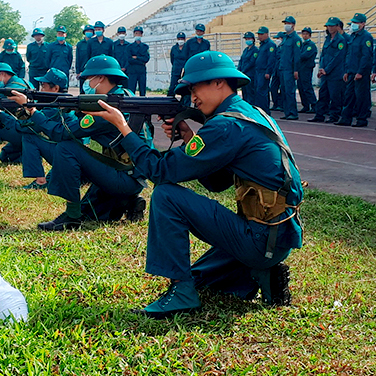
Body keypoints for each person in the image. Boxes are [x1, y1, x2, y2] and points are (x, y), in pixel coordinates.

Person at [86, 51, 303, 317]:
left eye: (196, 86)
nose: (192, 96)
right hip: (273, 238)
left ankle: (182, 292)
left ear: (219, 83)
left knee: (166, 195)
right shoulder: (250, 114)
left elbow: (160, 171)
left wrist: (124, 129)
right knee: (200, 276)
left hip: (260, 238)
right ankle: (261, 271)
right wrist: (190, 138)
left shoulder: (226, 126)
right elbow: (216, 182)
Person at [23, 55, 146, 231]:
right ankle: (130, 202)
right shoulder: (125, 96)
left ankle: (71, 217)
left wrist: (34, 112)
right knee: (89, 211)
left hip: (124, 175)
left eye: (89, 79)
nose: (86, 83)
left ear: (100, 78)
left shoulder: (108, 109)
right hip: (131, 174)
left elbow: (62, 133)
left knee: (66, 147)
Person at [13, 68, 70, 190]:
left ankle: (40, 181)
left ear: (55, 89)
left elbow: (26, 128)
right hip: (69, 155)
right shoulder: (61, 102)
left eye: (43, 86)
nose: (41, 90)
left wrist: (28, 109)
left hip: (67, 157)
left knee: (29, 137)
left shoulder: (54, 108)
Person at [338, 13, 373, 127]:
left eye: (356, 23)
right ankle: (346, 118)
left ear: (363, 24)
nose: (354, 25)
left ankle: (361, 119)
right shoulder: (352, 36)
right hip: (351, 71)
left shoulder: (366, 37)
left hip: (360, 73)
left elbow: (366, 56)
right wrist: (347, 70)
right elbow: (348, 55)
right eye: (353, 22)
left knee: (361, 97)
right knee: (349, 96)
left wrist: (360, 72)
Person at [309, 18, 346, 123]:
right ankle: (319, 115)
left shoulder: (341, 40)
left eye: (332, 26)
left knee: (335, 96)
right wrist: (321, 68)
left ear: (337, 26)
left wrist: (327, 69)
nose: (329, 28)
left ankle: (334, 116)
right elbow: (323, 55)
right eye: (328, 26)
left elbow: (337, 57)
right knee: (323, 94)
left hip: (335, 73)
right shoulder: (327, 39)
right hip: (325, 72)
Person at [276, 17, 302, 120]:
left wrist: (296, 70)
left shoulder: (296, 39)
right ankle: (287, 111)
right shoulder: (285, 38)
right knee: (284, 91)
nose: (286, 25)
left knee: (290, 91)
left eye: (288, 23)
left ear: (293, 25)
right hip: (283, 68)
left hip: (289, 69)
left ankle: (293, 112)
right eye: (285, 23)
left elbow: (297, 56)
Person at [251, 27, 276, 110]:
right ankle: (260, 109)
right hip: (258, 71)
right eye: (259, 34)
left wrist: (268, 71)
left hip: (264, 71)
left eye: (261, 34)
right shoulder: (262, 45)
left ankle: (264, 110)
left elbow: (271, 59)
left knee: (262, 91)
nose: (259, 36)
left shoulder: (270, 45)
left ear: (266, 34)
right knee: (258, 91)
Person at [297, 27, 318, 115]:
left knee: (307, 87)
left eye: (306, 34)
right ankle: (305, 105)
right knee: (301, 87)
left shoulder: (311, 45)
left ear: (309, 35)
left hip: (306, 68)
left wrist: (297, 55)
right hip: (300, 68)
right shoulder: (302, 44)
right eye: (303, 34)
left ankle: (313, 104)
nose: (304, 36)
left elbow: (303, 56)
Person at [128, 26, 150, 96]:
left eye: (139, 34)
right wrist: (141, 59)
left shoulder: (145, 47)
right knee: (131, 90)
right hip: (132, 70)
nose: (138, 35)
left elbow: (146, 59)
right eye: (136, 33)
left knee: (142, 90)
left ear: (142, 35)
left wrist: (136, 57)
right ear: (134, 34)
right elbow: (129, 59)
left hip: (141, 71)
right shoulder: (129, 47)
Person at [237, 31, 258, 102]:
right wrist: (239, 70)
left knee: (250, 93)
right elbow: (241, 60)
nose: (247, 40)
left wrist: (243, 70)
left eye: (249, 38)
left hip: (250, 74)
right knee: (244, 92)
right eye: (246, 39)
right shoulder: (246, 50)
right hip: (244, 74)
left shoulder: (255, 50)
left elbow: (251, 62)